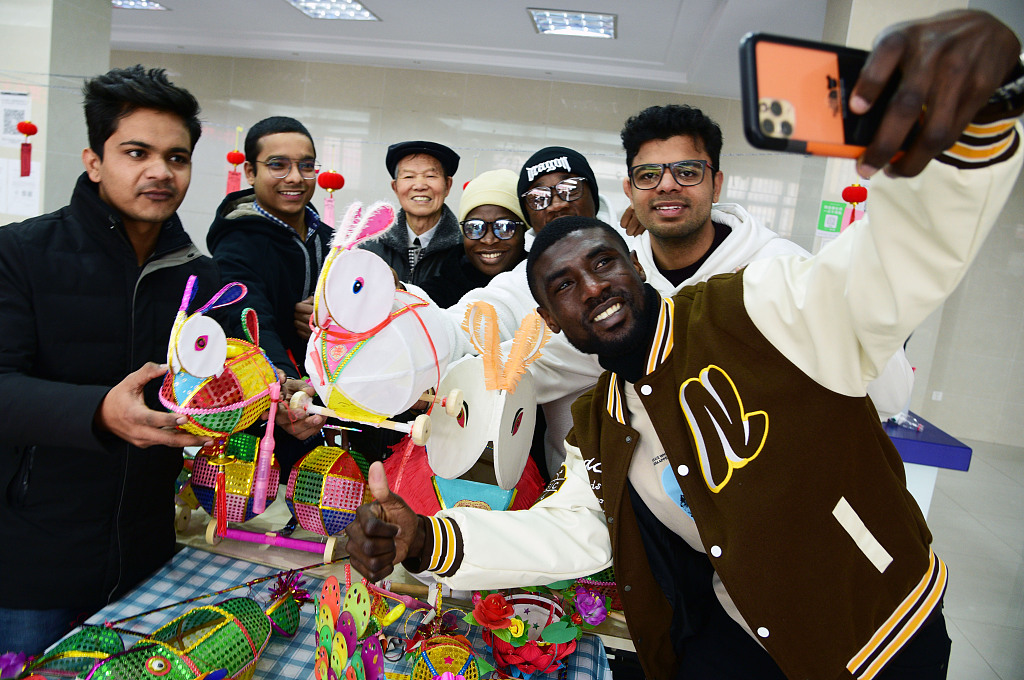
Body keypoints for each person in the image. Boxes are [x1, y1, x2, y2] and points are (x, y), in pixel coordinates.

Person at [345, 10, 1024, 680]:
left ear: (637, 265)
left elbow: (891, 265)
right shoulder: (602, 422)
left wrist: (973, 131)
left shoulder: (758, 304)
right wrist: (427, 539)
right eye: (562, 288)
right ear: (551, 317)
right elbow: (572, 528)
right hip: (735, 631)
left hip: (876, 631)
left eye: (603, 264)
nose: (590, 289)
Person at [0, 66, 221, 655]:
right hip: (32, 564)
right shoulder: (21, 254)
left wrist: (275, 407)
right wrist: (98, 411)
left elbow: (215, 394)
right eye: (136, 152)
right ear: (95, 161)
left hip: (146, 557)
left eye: (177, 157)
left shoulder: (202, 281)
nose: (160, 171)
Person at [207, 116, 330, 477]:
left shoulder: (328, 237)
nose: (294, 177)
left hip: (333, 400)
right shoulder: (237, 241)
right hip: (274, 407)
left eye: (306, 166)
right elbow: (249, 317)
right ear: (249, 171)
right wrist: (289, 388)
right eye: (278, 165)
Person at [418, 169, 529, 307]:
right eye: (475, 227)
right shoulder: (435, 295)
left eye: (504, 227)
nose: (488, 240)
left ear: (525, 231)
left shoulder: (543, 289)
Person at [360, 140, 463, 285]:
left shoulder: (465, 249)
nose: (420, 185)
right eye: (409, 176)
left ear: (448, 185)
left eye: (430, 176)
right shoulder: (369, 246)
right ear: (395, 187)